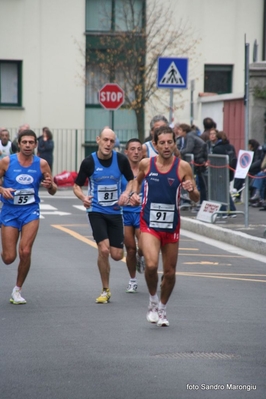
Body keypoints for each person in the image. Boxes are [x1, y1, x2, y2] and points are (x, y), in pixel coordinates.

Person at [130, 125, 200, 327]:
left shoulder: (183, 167)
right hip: (149, 222)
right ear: (155, 144)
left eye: (170, 142)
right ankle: (152, 300)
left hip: (171, 226)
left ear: (174, 144)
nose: (167, 146)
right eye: (162, 143)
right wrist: (135, 194)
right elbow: (136, 182)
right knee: (151, 265)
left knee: (169, 273)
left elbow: (196, 198)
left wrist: (191, 189)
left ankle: (162, 308)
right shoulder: (146, 164)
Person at [73, 127, 134, 304]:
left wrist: (126, 194)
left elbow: (131, 180)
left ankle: (126, 258)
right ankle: (105, 289)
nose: (108, 144)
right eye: (105, 140)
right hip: (96, 211)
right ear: (98, 140)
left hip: (115, 211)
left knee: (116, 255)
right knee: (104, 249)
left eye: (111, 141)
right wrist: (83, 197)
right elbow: (76, 185)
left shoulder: (121, 160)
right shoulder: (88, 162)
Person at [0, 129, 57, 304]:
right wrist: (2, 189)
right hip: (9, 211)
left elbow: (53, 190)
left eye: (31, 142)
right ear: (19, 143)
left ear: (35, 144)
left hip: (30, 211)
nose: (27, 145)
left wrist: (49, 185)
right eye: (24, 142)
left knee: (25, 251)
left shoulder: (42, 164)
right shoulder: (7, 162)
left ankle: (17, 290)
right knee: (9, 258)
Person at [122, 138, 145, 293]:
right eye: (132, 149)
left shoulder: (146, 169)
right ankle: (132, 280)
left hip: (142, 213)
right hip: (125, 213)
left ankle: (141, 257)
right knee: (130, 249)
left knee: (142, 247)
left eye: (138, 149)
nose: (136, 152)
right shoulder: (121, 170)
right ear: (126, 152)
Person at [178, 123, 208, 203]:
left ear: (184, 131)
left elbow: (189, 149)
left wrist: (179, 152)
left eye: (180, 130)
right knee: (201, 183)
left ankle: (202, 202)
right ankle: (201, 202)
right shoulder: (189, 136)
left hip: (199, 159)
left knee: (202, 183)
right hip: (198, 158)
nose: (178, 131)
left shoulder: (189, 136)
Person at [212, 131, 237, 217]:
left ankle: (223, 211)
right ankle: (232, 210)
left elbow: (215, 162)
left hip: (219, 172)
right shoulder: (231, 147)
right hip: (230, 172)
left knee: (220, 191)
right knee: (225, 191)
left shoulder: (216, 149)